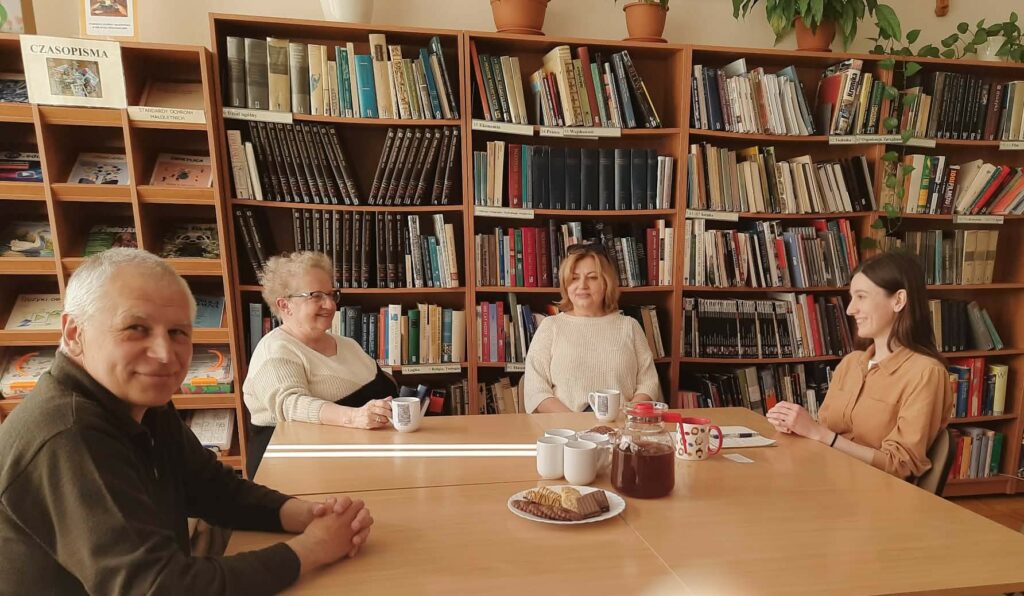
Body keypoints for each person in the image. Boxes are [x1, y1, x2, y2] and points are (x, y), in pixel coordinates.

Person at [0, 248, 374, 594]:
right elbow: (159, 587)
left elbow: (212, 488)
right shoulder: (68, 433)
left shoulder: (140, 403)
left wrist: (308, 514)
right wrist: (313, 549)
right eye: (136, 328)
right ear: (73, 333)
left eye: (178, 332)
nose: (165, 354)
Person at [766, 252, 954, 479]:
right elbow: (825, 432)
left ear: (898, 300)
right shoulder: (851, 363)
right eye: (852, 297)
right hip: (829, 477)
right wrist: (797, 427)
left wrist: (820, 434)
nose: (850, 309)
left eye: (861, 297)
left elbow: (900, 465)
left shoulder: (926, 373)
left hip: (873, 492)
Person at [245, 251, 396, 474]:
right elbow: (290, 404)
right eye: (316, 296)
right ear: (285, 305)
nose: (330, 304)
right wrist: (353, 417)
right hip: (297, 472)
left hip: (363, 463)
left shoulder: (348, 345)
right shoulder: (274, 350)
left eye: (331, 294)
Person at [524, 243, 662, 413]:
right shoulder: (550, 327)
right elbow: (536, 390)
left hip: (621, 424)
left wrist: (623, 417)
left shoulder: (630, 326)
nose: (582, 285)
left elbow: (648, 384)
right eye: (574, 278)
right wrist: (574, 423)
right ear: (566, 285)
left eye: (592, 277)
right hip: (564, 426)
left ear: (606, 283)